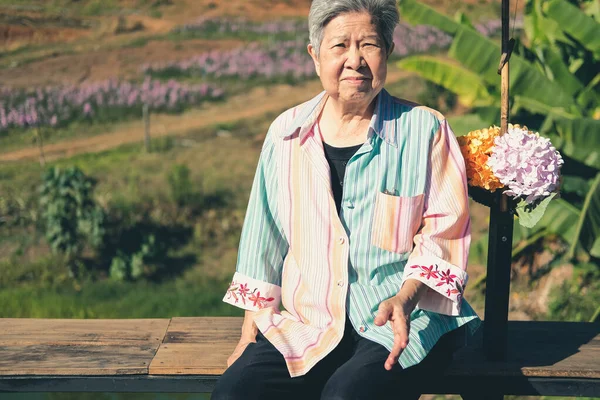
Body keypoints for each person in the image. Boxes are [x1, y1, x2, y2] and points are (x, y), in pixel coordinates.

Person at [212, 0, 481, 398]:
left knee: (346, 395)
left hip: (400, 320)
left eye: (369, 45)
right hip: (311, 323)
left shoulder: (425, 129)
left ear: (388, 52)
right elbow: (262, 234)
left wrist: (405, 299)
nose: (355, 60)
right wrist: (254, 319)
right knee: (235, 392)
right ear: (315, 56)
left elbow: (444, 232)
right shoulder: (286, 133)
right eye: (340, 46)